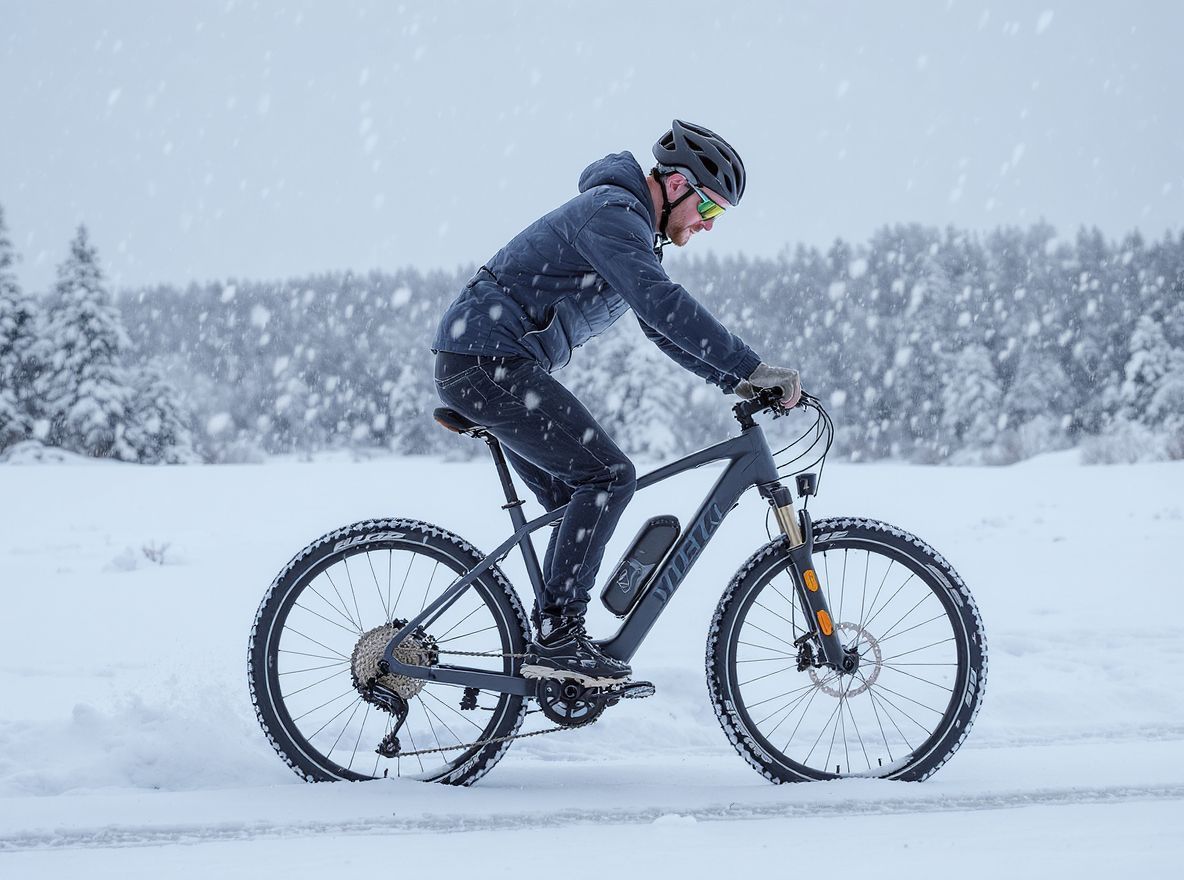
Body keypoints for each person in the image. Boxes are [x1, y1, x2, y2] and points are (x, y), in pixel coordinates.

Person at [431, 120, 801, 686]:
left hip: (489, 362)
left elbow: (660, 330)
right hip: (486, 361)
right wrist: (748, 365)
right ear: (677, 185)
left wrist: (737, 382)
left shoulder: (628, 229)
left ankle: (551, 652)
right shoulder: (612, 213)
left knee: (572, 498)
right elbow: (662, 305)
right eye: (711, 209)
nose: (707, 225)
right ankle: (559, 636)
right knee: (607, 477)